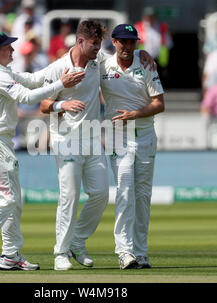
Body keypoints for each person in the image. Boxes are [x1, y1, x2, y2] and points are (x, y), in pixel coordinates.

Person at [0, 31, 85, 270]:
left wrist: (63, 67)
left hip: (0, 142)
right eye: (8, 47)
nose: (13, 50)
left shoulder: (5, 72)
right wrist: (61, 84)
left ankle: (11, 254)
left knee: (14, 201)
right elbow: (27, 97)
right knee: (7, 199)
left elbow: (34, 79)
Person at [39, 20, 157, 271]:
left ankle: (77, 241)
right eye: (94, 45)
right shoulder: (58, 67)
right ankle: (61, 252)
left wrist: (141, 53)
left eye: (100, 45)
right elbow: (42, 105)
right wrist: (62, 105)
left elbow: (123, 52)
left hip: (92, 140)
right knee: (69, 195)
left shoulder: (97, 61)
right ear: (80, 41)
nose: (97, 49)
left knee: (101, 194)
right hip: (66, 140)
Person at [100, 24, 164, 269]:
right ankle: (124, 251)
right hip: (118, 135)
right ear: (114, 42)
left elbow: (159, 103)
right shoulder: (103, 65)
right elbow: (79, 54)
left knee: (143, 196)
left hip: (146, 134)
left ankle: (141, 251)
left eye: (132, 42)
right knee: (124, 191)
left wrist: (135, 114)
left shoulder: (145, 63)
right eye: (123, 41)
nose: (127, 46)